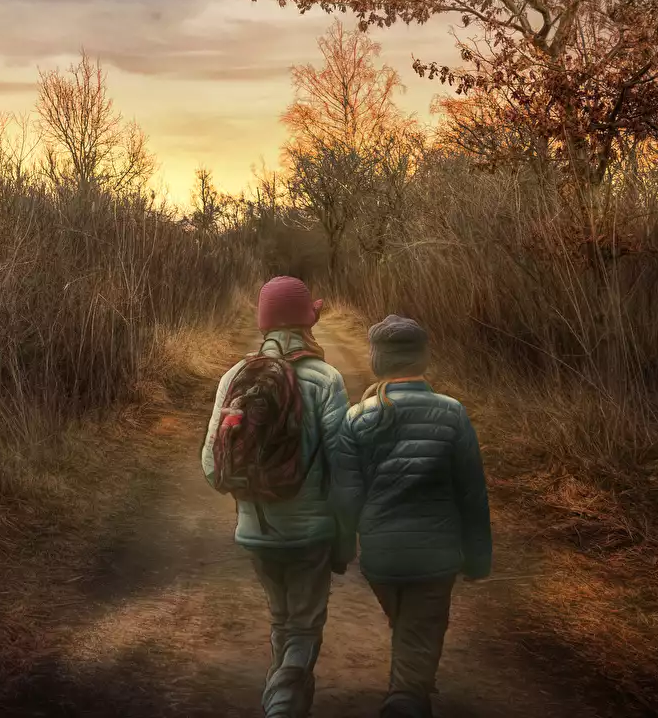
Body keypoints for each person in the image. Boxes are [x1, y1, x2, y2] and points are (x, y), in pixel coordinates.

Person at [201, 276, 359, 718]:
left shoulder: (235, 377)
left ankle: (285, 698)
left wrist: (253, 489)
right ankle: (282, 704)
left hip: (255, 531)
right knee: (304, 628)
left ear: (264, 324)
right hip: (311, 535)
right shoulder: (326, 379)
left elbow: (211, 467)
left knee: (281, 621)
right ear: (308, 322)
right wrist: (345, 537)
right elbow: (344, 468)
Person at [344, 315, 492, 718]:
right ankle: (406, 698)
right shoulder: (453, 413)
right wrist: (478, 558)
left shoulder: (357, 417)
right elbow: (472, 493)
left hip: (380, 558)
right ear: (424, 357)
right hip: (435, 557)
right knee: (419, 630)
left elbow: (347, 493)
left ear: (377, 360)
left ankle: (410, 686)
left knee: (410, 626)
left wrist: (340, 547)